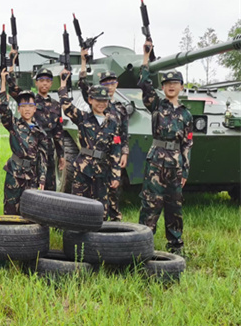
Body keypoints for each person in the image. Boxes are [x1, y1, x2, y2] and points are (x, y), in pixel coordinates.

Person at [138, 40, 193, 255]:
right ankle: (142, 243)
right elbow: (144, 83)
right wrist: (146, 56)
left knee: (174, 206)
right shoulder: (157, 105)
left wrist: (185, 171)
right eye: (167, 83)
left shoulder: (186, 114)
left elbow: (187, 144)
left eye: (175, 83)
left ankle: (175, 245)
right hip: (156, 163)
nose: (171, 86)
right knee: (150, 204)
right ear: (163, 87)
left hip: (176, 165)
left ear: (181, 86)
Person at [59, 69, 121, 218]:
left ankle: (99, 231)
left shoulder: (113, 123)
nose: (101, 103)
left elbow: (116, 150)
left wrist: (116, 174)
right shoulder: (83, 118)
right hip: (83, 169)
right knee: (78, 206)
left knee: (100, 209)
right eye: (98, 100)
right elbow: (67, 107)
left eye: (104, 100)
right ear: (90, 100)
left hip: (102, 171)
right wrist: (63, 85)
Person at [78, 48, 129, 221]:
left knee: (114, 188)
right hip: (95, 156)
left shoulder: (121, 109)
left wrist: (124, 152)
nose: (109, 86)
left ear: (116, 84)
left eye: (112, 83)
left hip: (113, 154)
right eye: (105, 84)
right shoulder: (96, 103)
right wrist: (83, 62)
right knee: (97, 191)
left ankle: (115, 220)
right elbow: (83, 86)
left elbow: (124, 132)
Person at [7, 51, 64, 191]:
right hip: (31, 152)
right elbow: (12, 88)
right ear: (36, 82)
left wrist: (61, 156)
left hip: (48, 153)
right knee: (31, 189)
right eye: (41, 80)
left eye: (48, 81)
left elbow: (58, 133)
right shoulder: (29, 101)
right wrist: (11, 64)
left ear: (51, 83)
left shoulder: (56, 105)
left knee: (49, 190)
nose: (44, 83)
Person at [0, 68, 48, 215]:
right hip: (14, 174)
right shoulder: (13, 125)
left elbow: (43, 157)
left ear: (35, 109)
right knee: (10, 211)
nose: (27, 109)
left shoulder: (41, 132)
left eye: (30, 106)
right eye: (23, 106)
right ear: (19, 109)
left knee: (29, 212)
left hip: (31, 176)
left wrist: (42, 178)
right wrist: (3, 82)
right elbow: (3, 109)